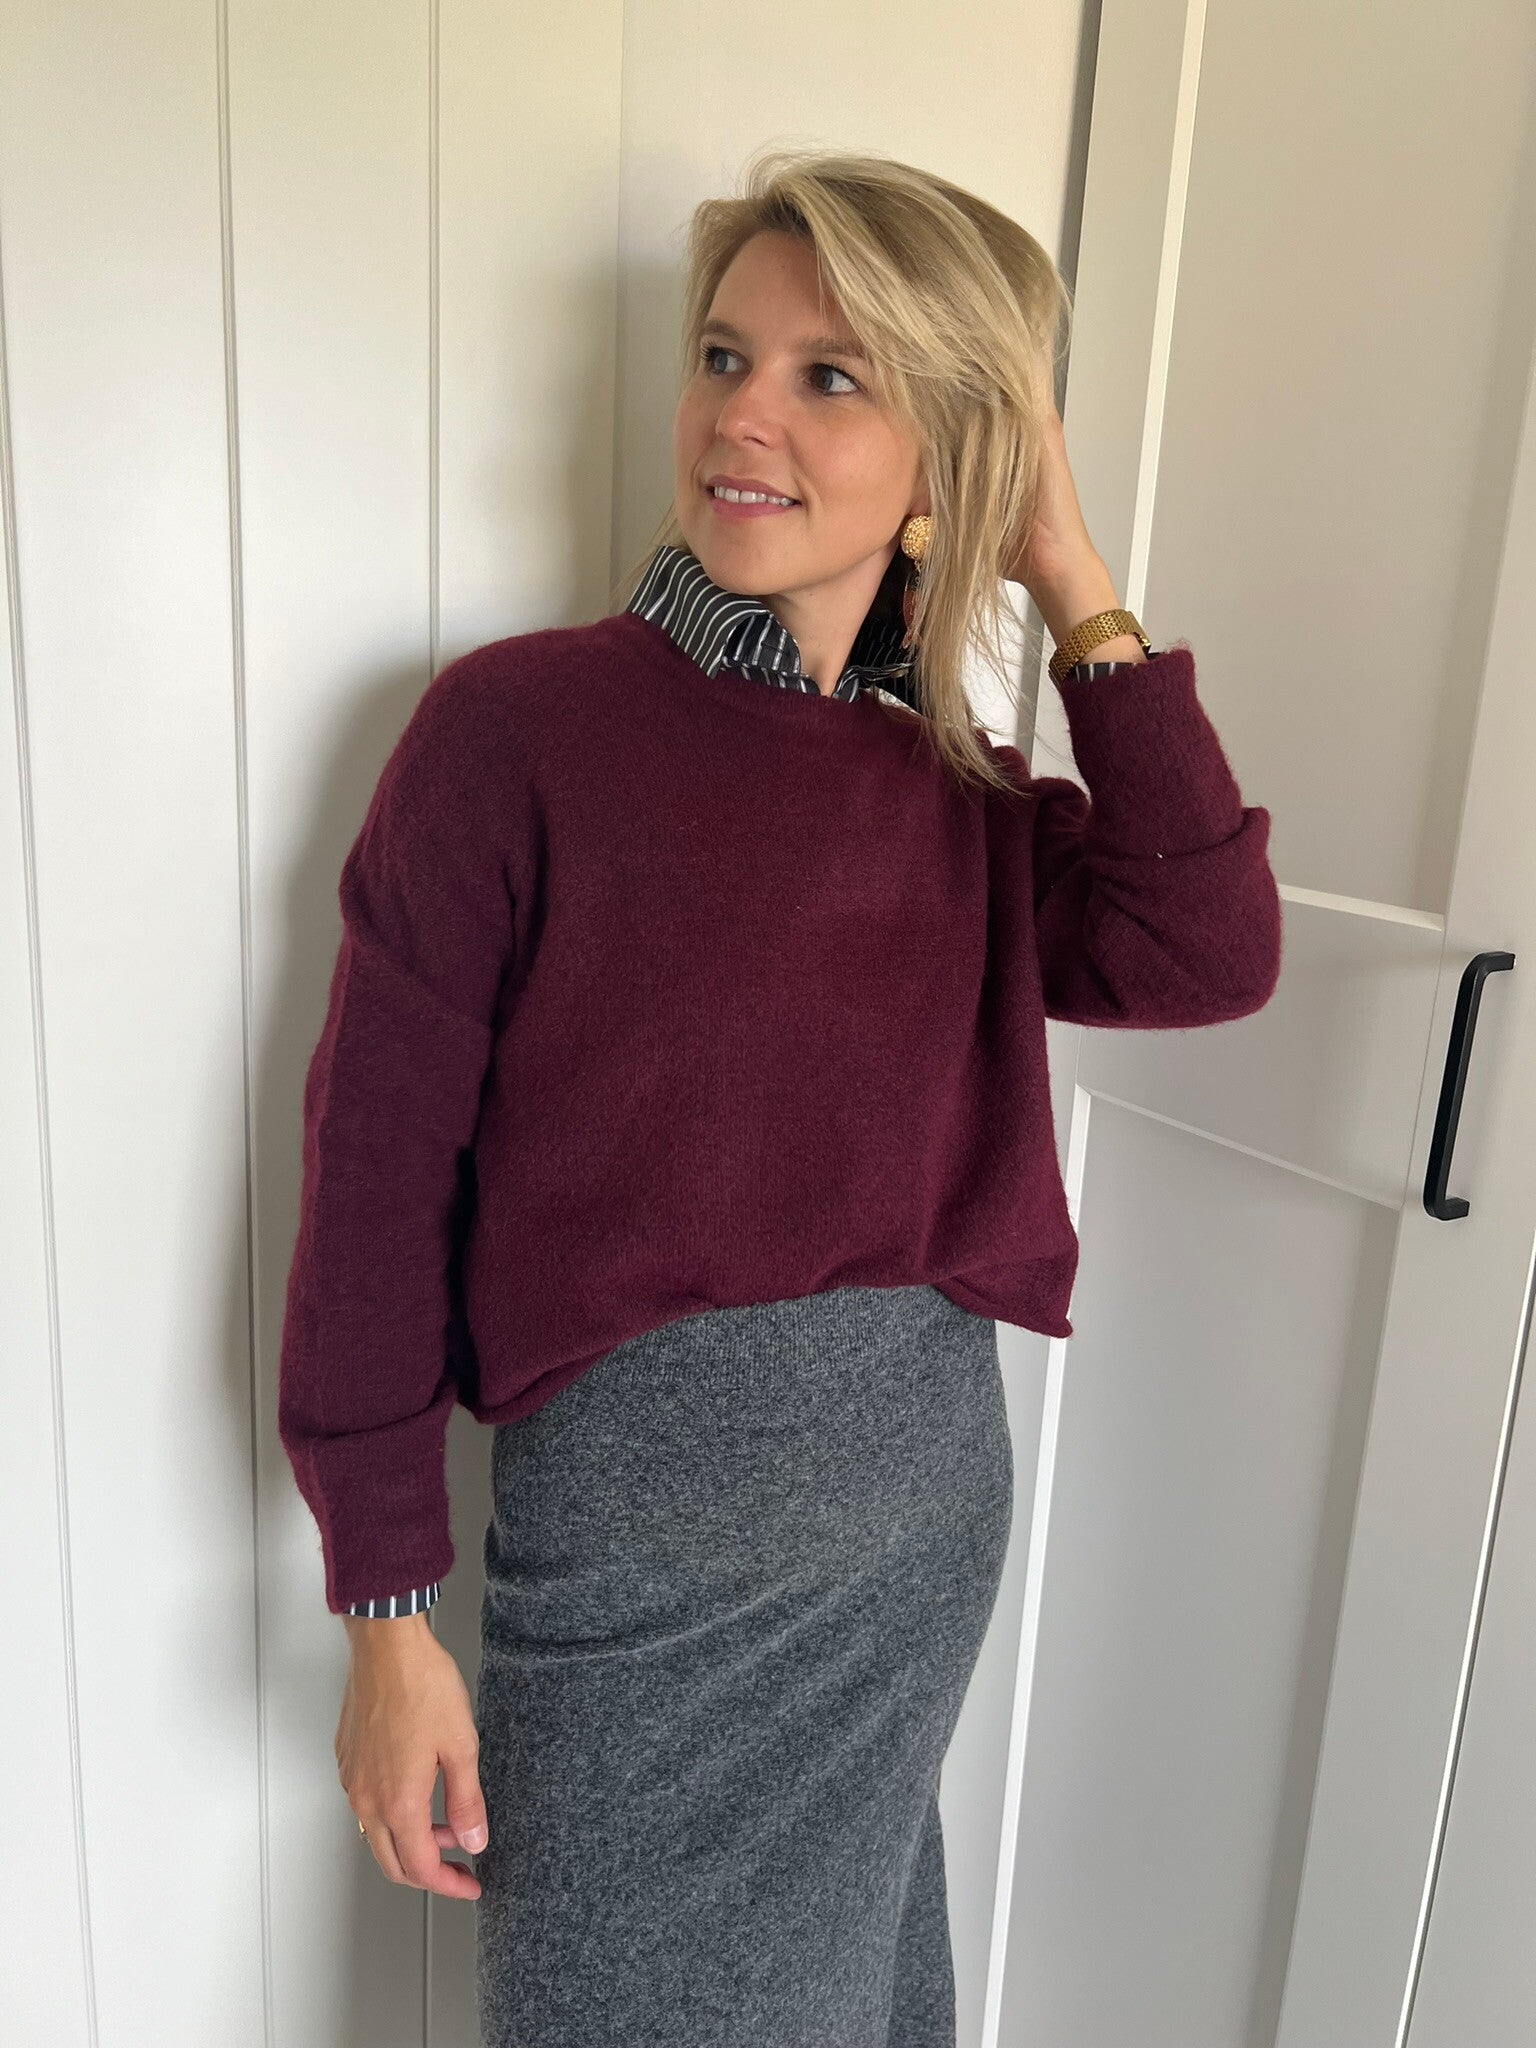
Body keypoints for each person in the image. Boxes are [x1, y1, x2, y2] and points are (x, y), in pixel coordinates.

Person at [277, 145, 1282, 2046]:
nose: (743, 415)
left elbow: (1204, 948)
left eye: (834, 378)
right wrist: (386, 1615)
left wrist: (1072, 578)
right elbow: (374, 1184)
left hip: (913, 1536)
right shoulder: (515, 732)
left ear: (955, 454)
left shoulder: (956, 789)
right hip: (636, 1577)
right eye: (725, 357)